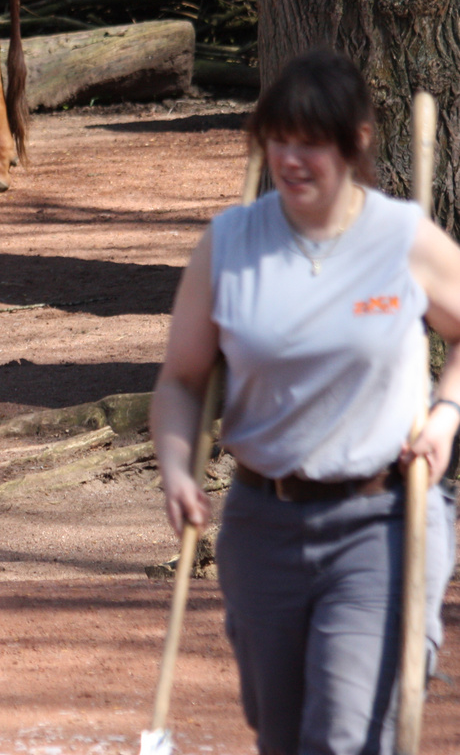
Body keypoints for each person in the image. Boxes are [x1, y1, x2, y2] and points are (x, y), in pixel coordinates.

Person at [151, 48, 460, 755]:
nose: (290, 159)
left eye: (310, 143)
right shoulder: (230, 242)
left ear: (353, 144)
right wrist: (175, 468)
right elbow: (181, 381)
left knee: (345, 737)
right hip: (265, 524)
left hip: (382, 522)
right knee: (284, 736)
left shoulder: (401, 237)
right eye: (278, 139)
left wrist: (446, 415)